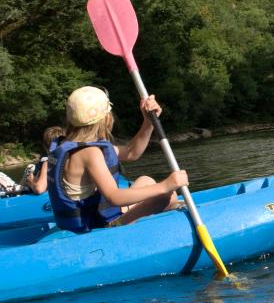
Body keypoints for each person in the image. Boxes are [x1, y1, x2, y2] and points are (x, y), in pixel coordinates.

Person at [48, 85, 187, 233]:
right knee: (164, 195)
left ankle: (163, 205)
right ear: (106, 118)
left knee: (146, 181)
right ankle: (119, 225)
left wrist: (148, 122)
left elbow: (131, 152)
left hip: (89, 216)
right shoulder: (90, 153)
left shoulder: (67, 144)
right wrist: (165, 185)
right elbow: (114, 197)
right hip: (96, 225)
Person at [21, 126, 64, 195]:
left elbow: (39, 189)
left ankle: (20, 190)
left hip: (44, 196)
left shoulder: (48, 163)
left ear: (45, 146)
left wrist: (31, 181)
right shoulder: (69, 160)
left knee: (30, 166)